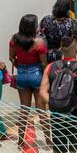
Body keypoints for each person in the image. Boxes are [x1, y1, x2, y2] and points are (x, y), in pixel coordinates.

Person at [8, 14, 48, 143]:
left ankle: (21, 141)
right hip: (36, 75)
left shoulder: (14, 39)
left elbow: (11, 57)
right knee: (41, 110)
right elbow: (43, 63)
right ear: (33, 27)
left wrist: (19, 65)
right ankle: (48, 141)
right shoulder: (39, 42)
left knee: (24, 109)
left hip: (21, 76)